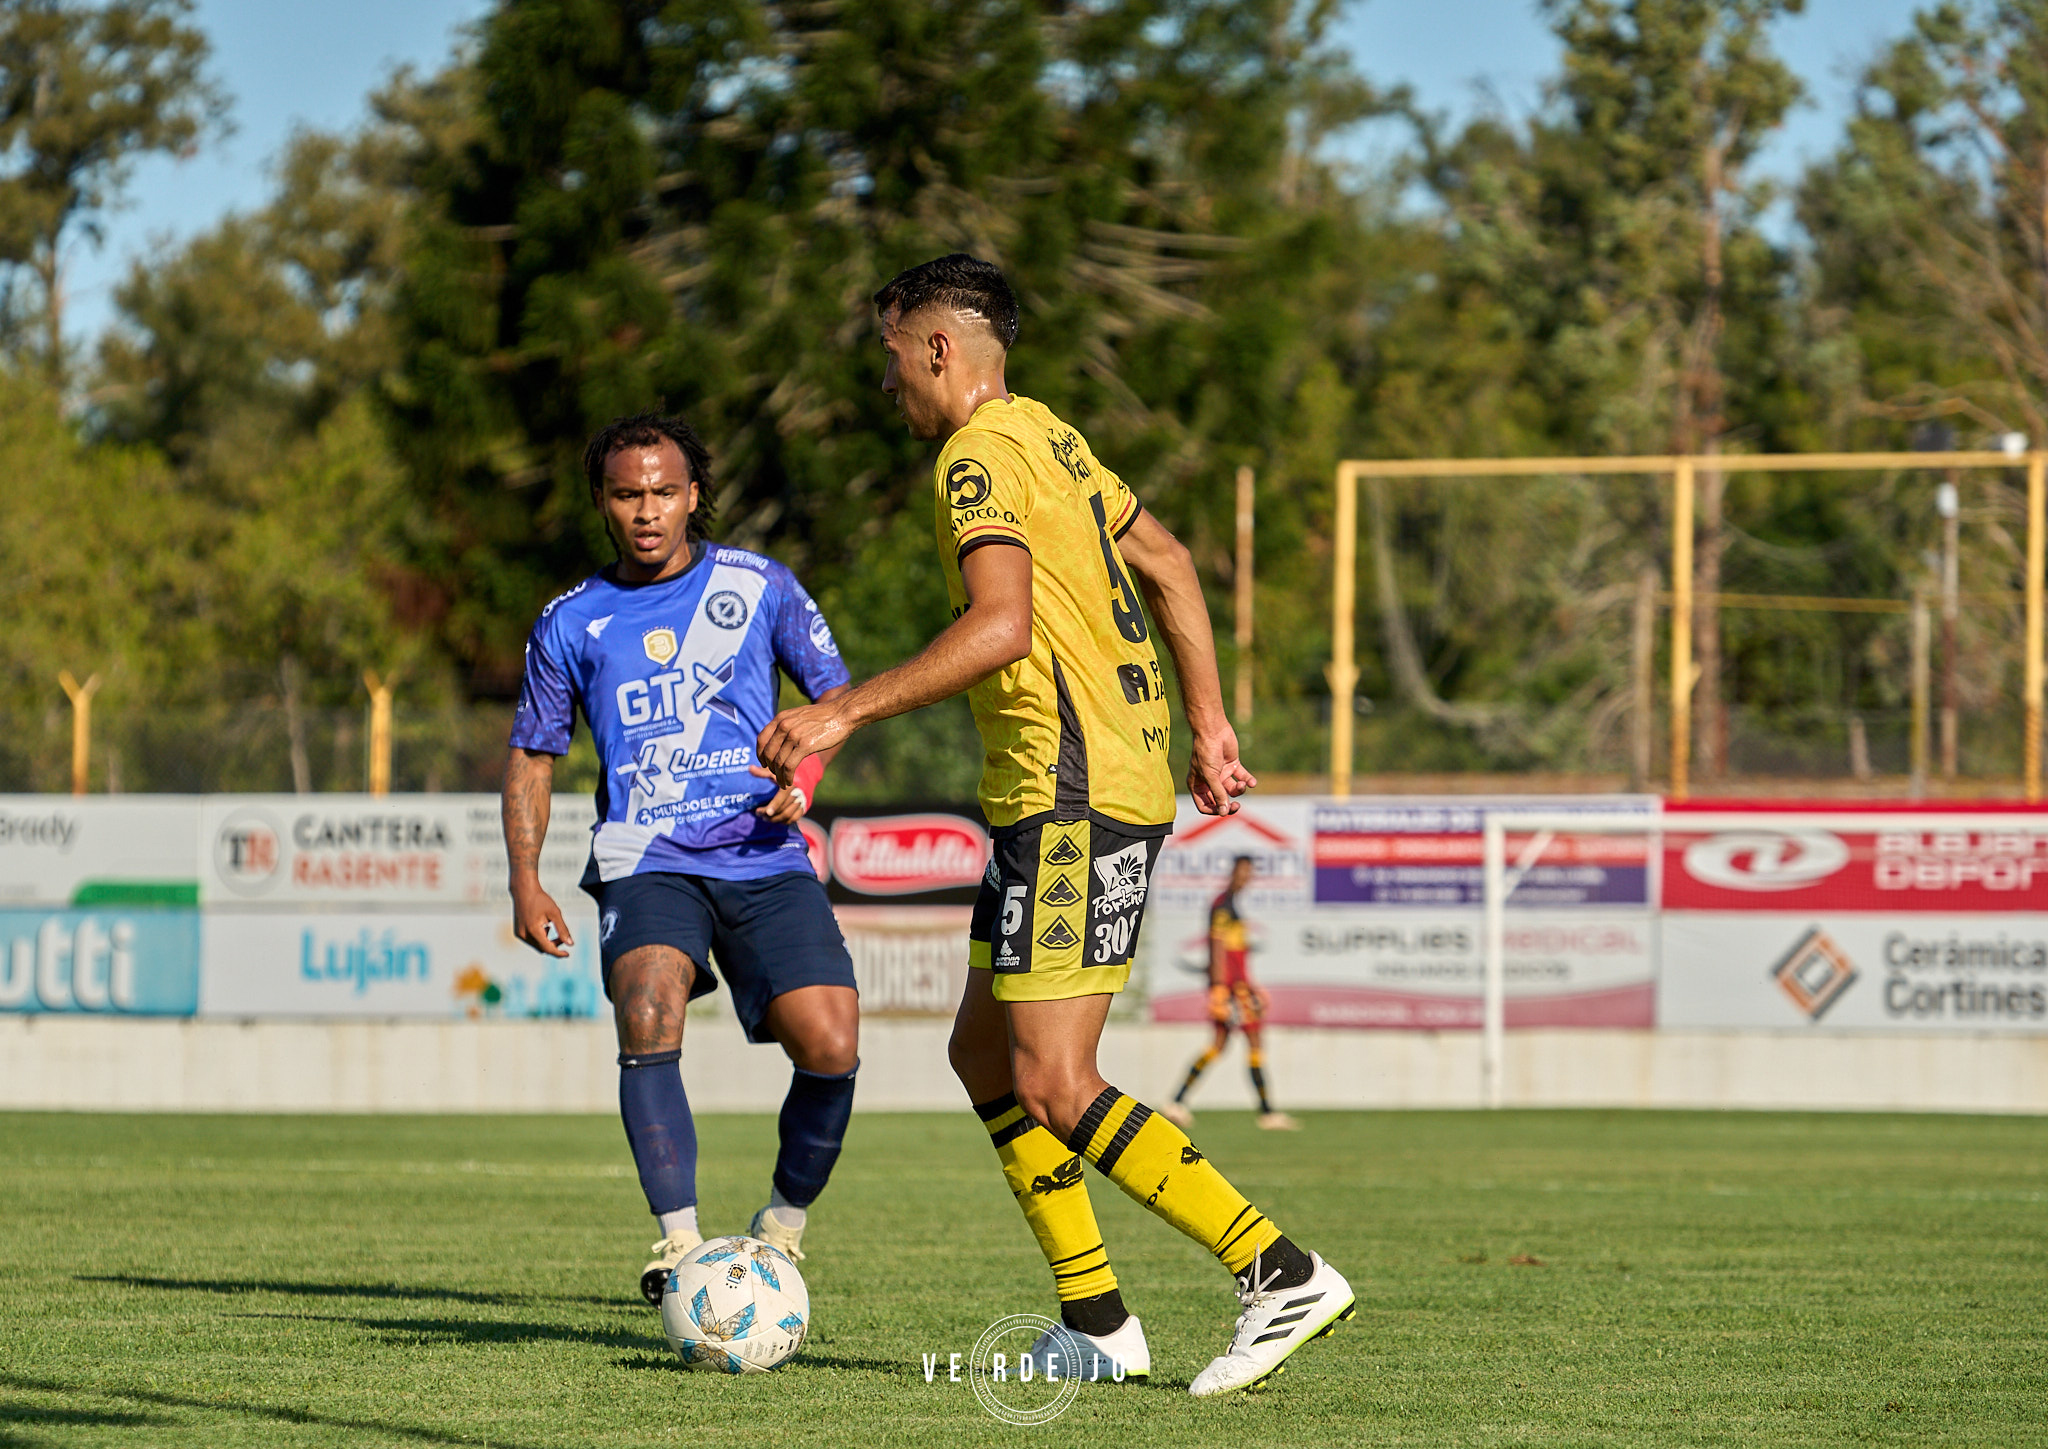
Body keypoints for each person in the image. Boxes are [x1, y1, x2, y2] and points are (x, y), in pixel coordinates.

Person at [755, 255, 1352, 1396]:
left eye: (891, 357)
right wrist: (1208, 726)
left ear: (938, 349)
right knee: (982, 1054)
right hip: (1077, 782)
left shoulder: (974, 457)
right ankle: (1097, 1322)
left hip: (1071, 789)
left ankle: (1276, 1270)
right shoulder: (1052, 438)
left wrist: (839, 710)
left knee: (1052, 1079)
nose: (888, 383)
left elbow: (1000, 627)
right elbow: (1169, 562)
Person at [502, 413, 860, 1306]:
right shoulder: (570, 620)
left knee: (830, 1040)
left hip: (763, 850)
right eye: (628, 495)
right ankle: (680, 1247)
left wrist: (803, 776)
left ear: (694, 494)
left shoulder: (759, 584)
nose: (648, 511)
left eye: (665, 492)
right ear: (603, 502)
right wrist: (524, 875)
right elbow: (533, 754)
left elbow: (837, 701)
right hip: (644, 854)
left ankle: (781, 1230)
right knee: (649, 1009)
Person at [1160, 854, 1299, 1132]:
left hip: (1238, 987)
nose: (1247, 878)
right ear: (1233, 873)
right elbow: (1217, 949)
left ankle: (1176, 1102)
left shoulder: (1232, 904)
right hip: (1231, 989)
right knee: (1248, 1040)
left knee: (1222, 1044)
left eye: (1250, 873)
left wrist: (1250, 985)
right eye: (1243, 872)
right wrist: (1220, 990)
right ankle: (1266, 1113)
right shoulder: (1222, 905)